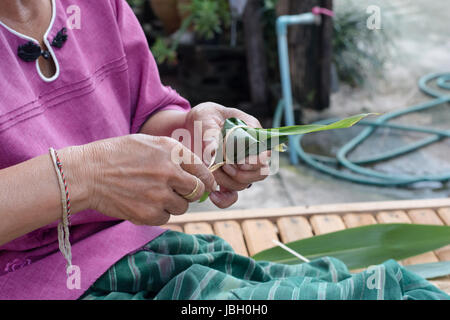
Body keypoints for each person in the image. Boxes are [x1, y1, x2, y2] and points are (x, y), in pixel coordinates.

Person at [0, 0, 447, 300]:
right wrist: (83, 177)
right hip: (47, 286)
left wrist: (204, 137)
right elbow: (99, 166)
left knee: (394, 289)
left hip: (149, 256)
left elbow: (141, 117)